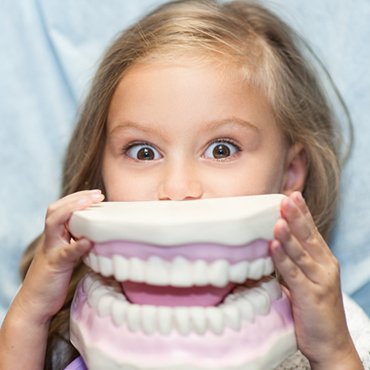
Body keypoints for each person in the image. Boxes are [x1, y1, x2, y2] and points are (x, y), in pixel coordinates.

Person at [0, 0, 365, 369]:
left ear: (289, 174)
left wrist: (332, 350)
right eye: (143, 152)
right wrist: (30, 316)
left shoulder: (328, 324)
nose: (177, 188)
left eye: (222, 149)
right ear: (102, 171)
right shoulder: (67, 321)